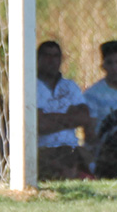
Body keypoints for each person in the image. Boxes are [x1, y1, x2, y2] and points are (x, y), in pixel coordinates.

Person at [36, 40, 95, 180]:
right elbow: (40, 125)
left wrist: (50, 117)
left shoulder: (70, 86)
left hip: (71, 147)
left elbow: (84, 118)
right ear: (38, 59)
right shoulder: (30, 85)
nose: (52, 60)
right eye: (47, 56)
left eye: (56, 56)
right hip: (43, 148)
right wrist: (70, 117)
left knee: (80, 160)